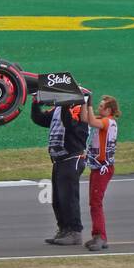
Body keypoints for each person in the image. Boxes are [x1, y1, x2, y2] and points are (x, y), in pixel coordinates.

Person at [31, 96, 90, 245]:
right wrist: (35, 103)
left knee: (69, 198)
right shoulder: (58, 109)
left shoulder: (79, 108)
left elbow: (69, 123)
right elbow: (39, 119)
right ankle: (64, 229)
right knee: (58, 200)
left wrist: (64, 105)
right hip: (59, 159)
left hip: (73, 157)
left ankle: (75, 232)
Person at [82, 96, 121, 251]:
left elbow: (91, 122)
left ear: (109, 110)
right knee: (94, 203)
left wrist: (88, 104)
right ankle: (98, 235)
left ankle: (101, 237)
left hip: (103, 169)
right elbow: (86, 118)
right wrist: (84, 102)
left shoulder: (108, 121)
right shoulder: (104, 120)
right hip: (98, 167)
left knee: (96, 203)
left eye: (101, 106)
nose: (99, 108)